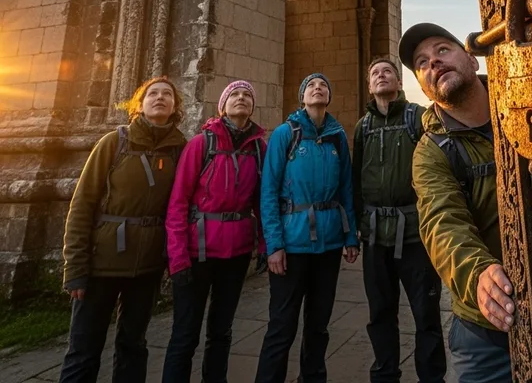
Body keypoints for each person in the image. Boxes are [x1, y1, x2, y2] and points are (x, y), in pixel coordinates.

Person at [400, 24, 514, 383]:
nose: (433, 61)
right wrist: (478, 273)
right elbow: (441, 223)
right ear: (422, 86)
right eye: (421, 62)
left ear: (470, 57)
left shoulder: (524, 101)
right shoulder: (430, 152)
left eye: (443, 50)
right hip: (486, 325)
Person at [60, 76, 187, 383]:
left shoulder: (180, 150)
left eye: (167, 94)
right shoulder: (114, 142)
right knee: (84, 348)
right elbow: (82, 204)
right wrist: (75, 268)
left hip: (146, 267)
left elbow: (182, 207)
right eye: (152, 93)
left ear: (175, 107)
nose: (160, 98)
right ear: (139, 105)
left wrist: (173, 260)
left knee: (133, 345)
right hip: (101, 263)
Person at [254, 73, 360, 383]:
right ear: (302, 97)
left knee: (319, 324)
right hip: (292, 245)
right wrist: (273, 245)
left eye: (323, 85)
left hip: (327, 246)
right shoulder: (286, 134)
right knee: (282, 326)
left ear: (329, 96)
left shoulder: (337, 136)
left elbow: (346, 190)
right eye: (311, 86)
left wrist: (350, 235)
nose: (318, 88)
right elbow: (269, 192)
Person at [162, 80, 267, 383]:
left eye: (248, 95)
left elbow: (262, 201)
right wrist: (177, 257)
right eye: (234, 94)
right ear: (222, 105)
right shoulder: (201, 144)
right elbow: (178, 202)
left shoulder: (259, 148)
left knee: (221, 332)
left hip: (235, 255)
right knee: (185, 334)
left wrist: (263, 245)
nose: (242, 98)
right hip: (198, 253)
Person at [353, 57, 446, 383]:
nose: (381, 76)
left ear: (399, 81)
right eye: (375, 73)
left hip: (415, 235)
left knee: (426, 315)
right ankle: (384, 375)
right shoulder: (362, 127)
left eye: (387, 71)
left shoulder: (418, 118)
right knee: (380, 313)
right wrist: (356, 230)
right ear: (369, 85)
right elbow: (355, 180)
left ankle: (431, 378)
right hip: (375, 236)